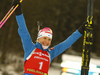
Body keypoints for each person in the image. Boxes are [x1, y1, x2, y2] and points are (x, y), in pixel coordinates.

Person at [12, 0, 85, 75]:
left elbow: (66, 44)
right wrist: (18, 12)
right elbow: (23, 30)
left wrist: (80, 31)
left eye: (49, 39)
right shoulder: (30, 48)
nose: (47, 41)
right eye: (44, 38)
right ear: (38, 38)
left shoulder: (50, 53)